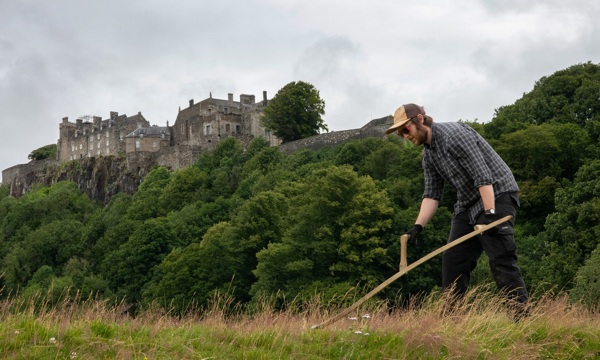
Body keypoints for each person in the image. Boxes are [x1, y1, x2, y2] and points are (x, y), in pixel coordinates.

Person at [386, 103, 529, 317]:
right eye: (400, 133)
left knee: (500, 257)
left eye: (405, 129)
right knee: (453, 261)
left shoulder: (454, 135)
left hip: (497, 195)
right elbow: (432, 194)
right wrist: (417, 226)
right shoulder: (429, 156)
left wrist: (490, 214)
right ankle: (452, 323)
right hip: (468, 204)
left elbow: (483, 176)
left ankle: (522, 319)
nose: (404, 136)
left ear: (420, 120)